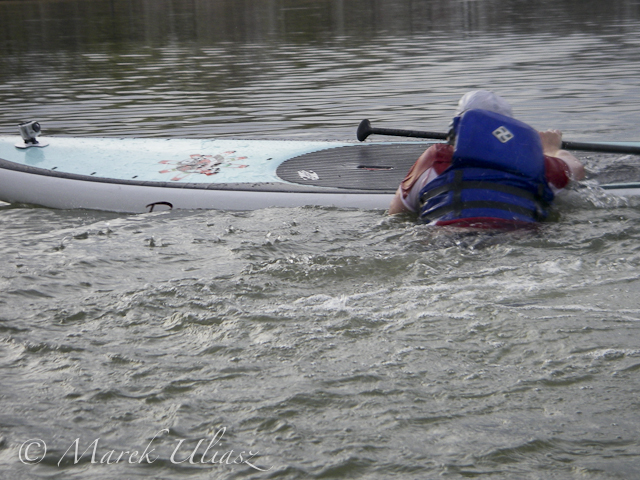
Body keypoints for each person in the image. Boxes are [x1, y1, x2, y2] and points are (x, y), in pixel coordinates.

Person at [388, 90, 585, 228]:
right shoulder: (535, 163)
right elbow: (576, 170)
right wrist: (551, 150)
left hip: (446, 238)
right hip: (516, 238)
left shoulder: (435, 158)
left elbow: (396, 215)